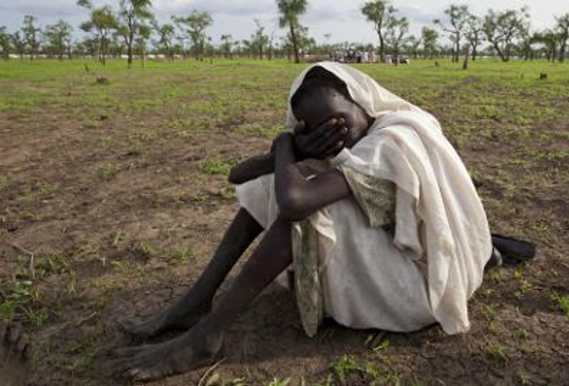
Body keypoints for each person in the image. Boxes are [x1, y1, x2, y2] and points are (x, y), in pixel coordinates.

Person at [112, 62, 533, 381]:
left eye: (339, 121)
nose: (335, 134)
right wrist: (292, 146)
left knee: (307, 208)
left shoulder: (392, 140)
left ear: (360, 101)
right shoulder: (352, 135)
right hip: (389, 259)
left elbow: (295, 203)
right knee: (268, 189)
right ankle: (197, 301)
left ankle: (208, 335)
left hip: (416, 289)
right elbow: (238, 176)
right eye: (315, 127)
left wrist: (284, 147)